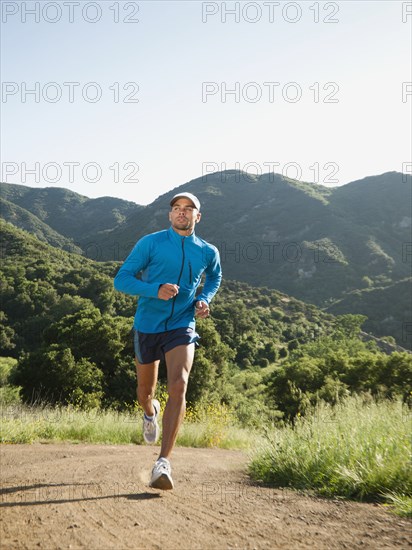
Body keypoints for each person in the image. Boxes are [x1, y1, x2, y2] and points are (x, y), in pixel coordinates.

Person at [114, 192, 222, 490]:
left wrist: (203, 299)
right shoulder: (151, 243)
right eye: (176, 208)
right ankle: (150, 413)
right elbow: (121, 279)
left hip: (181, 324)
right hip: (147, 325)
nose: (182, 213)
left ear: (198, 216)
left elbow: (214, 277)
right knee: (144, 393)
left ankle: (163, 462)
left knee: (179, 383)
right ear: (170, 215)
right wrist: (154, 289)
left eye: (188, 209)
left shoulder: (207, 250)